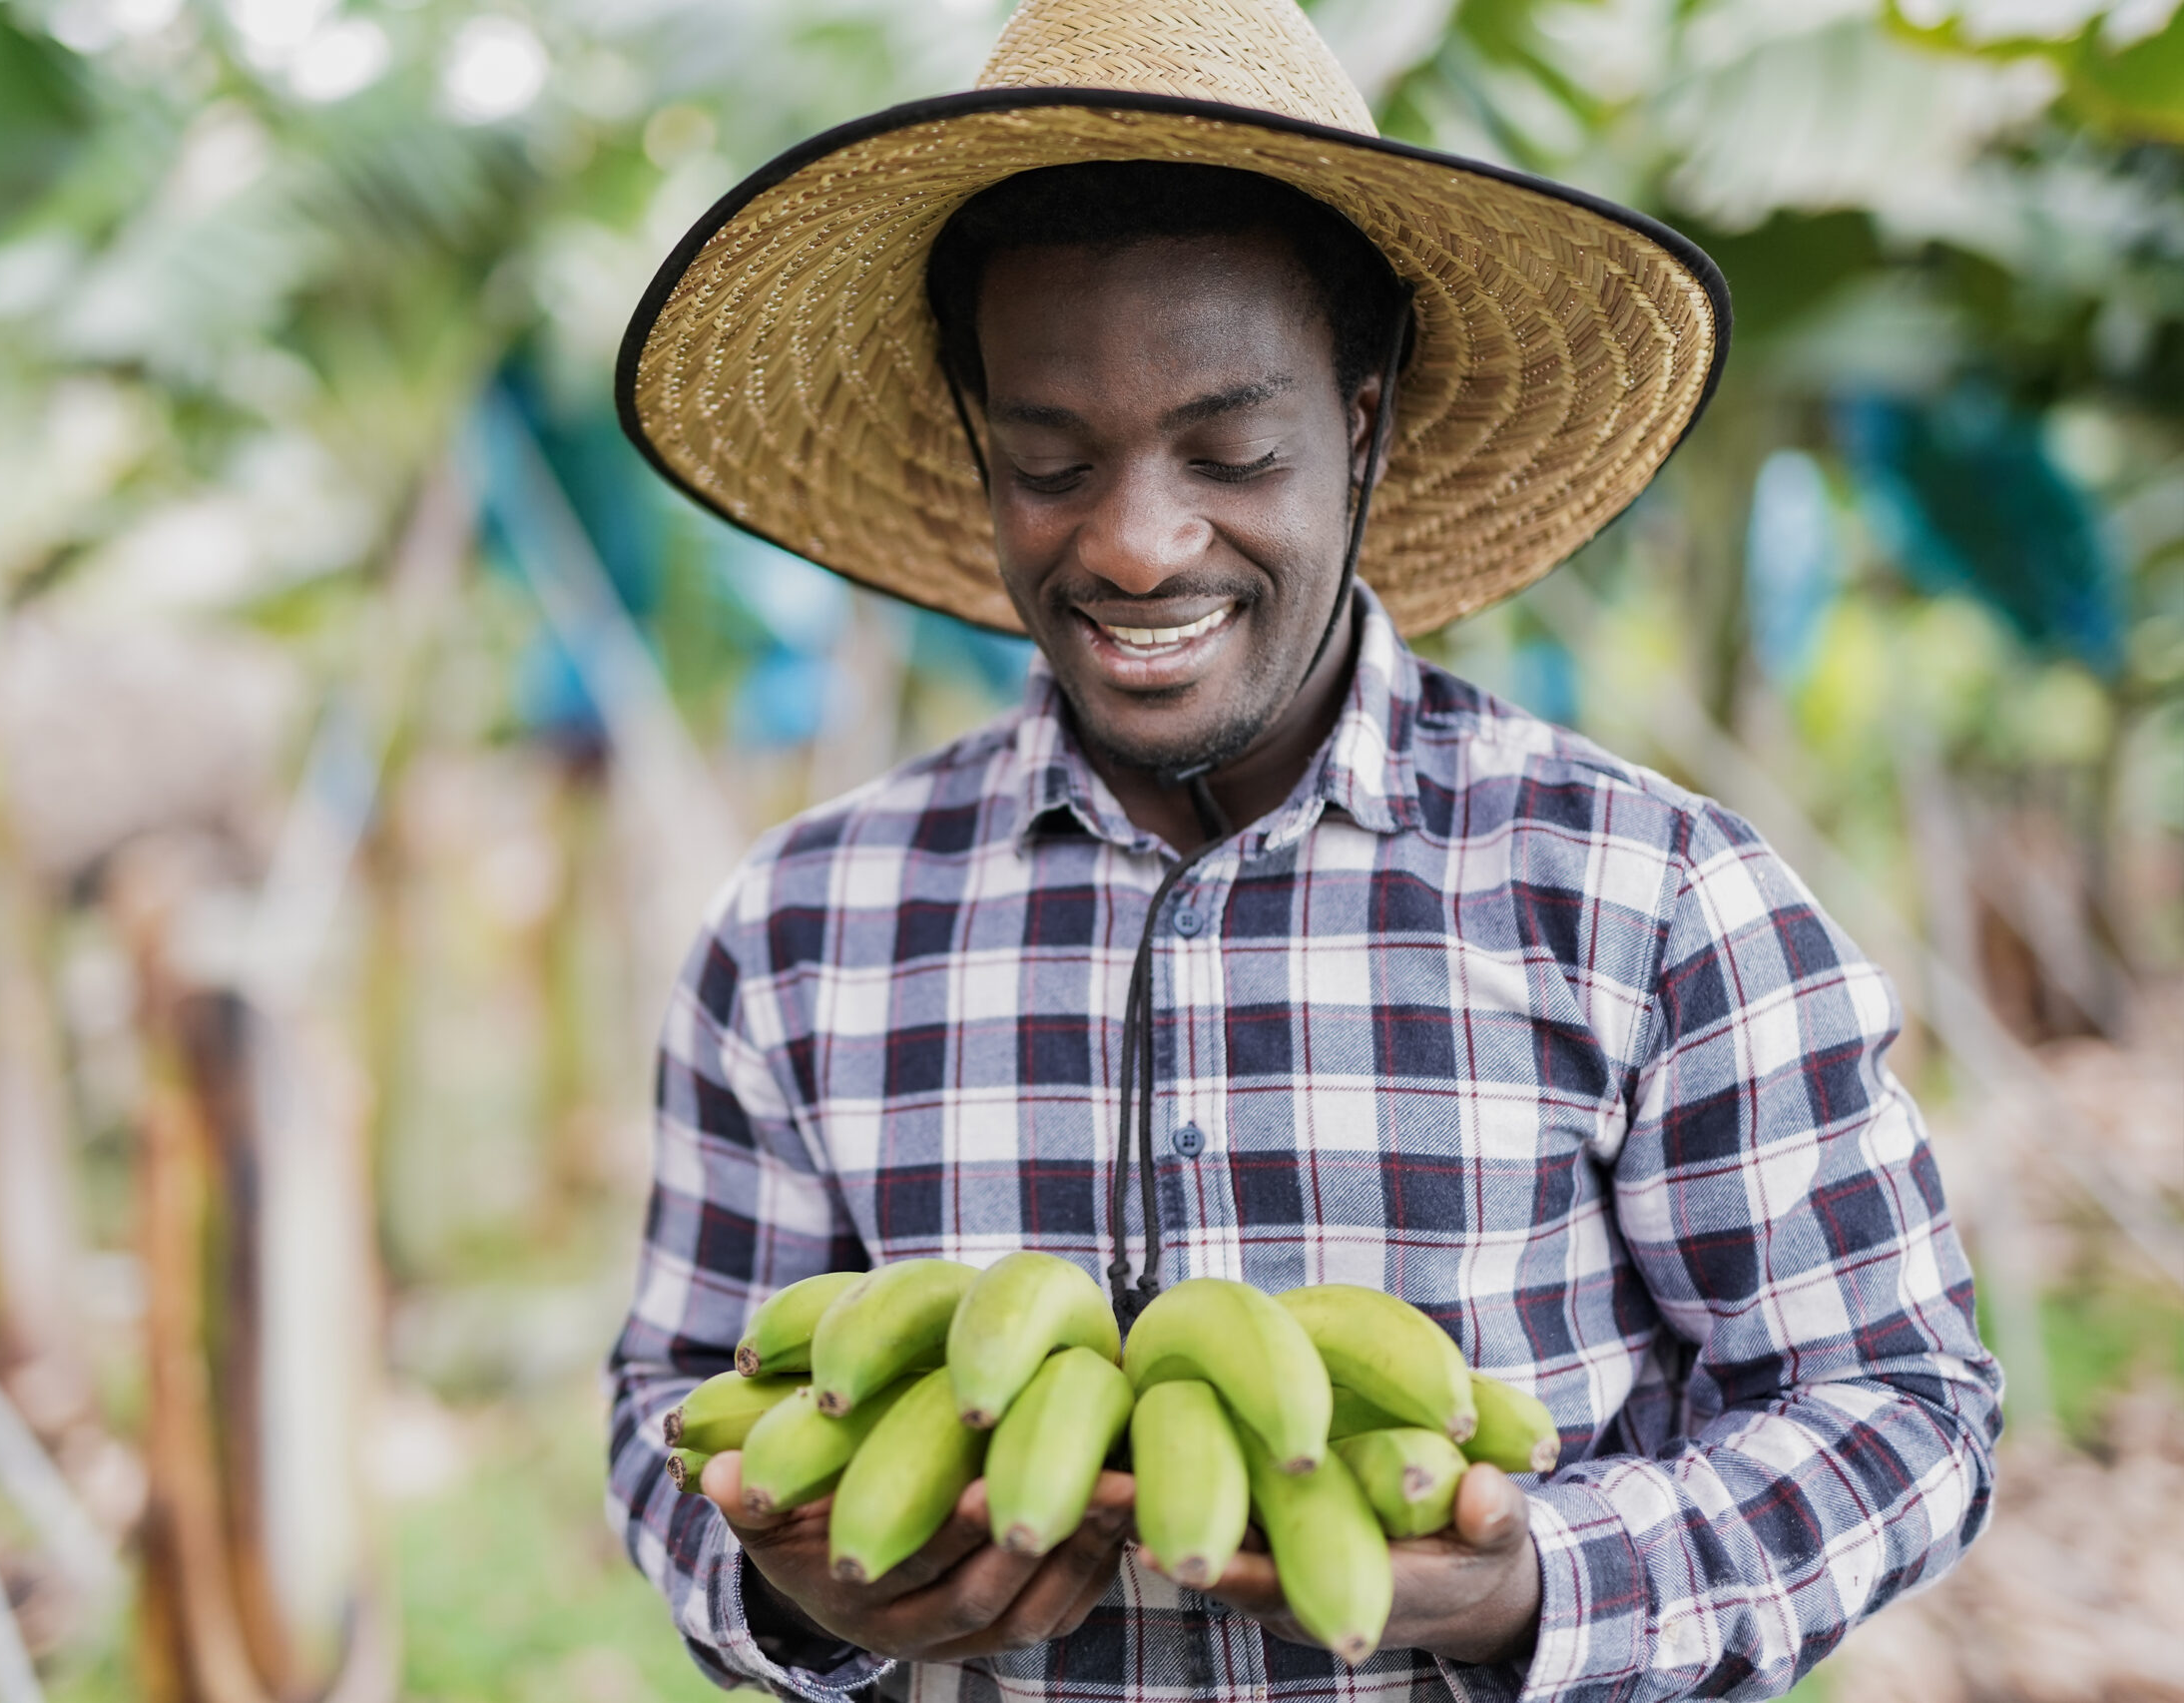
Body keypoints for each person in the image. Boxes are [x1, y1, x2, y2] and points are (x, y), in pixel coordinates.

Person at [605, 0, 2001, 1697]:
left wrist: (1531, 1584)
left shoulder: (1641, 896)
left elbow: (1901, 1408)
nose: (1133, 545)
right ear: (979, 444)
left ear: (1363, 420)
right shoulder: (805, 929)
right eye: (1051, 462)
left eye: (1231, 451)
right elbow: (675, 1391)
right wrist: (785, 1588)